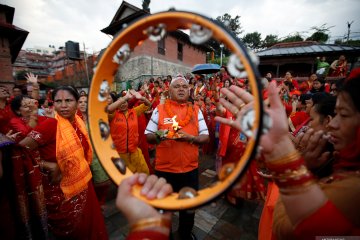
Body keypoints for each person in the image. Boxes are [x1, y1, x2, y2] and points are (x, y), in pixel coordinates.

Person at [215, 68, 360, 239]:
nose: (333, 125)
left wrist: (291, 165)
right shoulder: (340, 165)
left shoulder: (353, 189)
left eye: (343, 114)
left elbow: (284, 228)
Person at [18, 86, 108, 239]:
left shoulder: (78, 120)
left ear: (77, 103)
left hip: (85, 184)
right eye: (58, 101)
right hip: (62, 194)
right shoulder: (51, 125)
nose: (63, 105)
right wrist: (47, 165)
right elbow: (20, 150)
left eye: (68, 100)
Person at [145, 75, 210, 240]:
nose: (181, 89)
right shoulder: (159, 109)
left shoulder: (196, 110)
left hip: (190, 170)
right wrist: (163, 134)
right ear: (169, 90)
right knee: (164, 208)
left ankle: (185, 235)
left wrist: (190, 138)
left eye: (184, 86)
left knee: (188, 208)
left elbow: (205, 136)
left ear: (189, 90)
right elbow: (148, 135)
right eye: (177, 86)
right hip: (164, 171)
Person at [107, 89, 152, 174]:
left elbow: (148, 105)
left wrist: (142, 97)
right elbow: (108, 109)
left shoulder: (134, 112)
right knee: (127, 178)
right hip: (120, 154)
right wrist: (124, 98)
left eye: (125, 102)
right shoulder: (113, 115)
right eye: (121, 102)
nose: (123, 104)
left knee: (145, 173)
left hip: (134, 151)